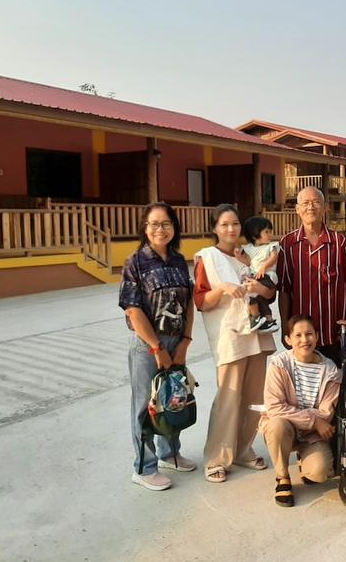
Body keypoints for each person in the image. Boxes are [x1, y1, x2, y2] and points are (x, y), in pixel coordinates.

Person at [194, 204, 277, 483]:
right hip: (230, 335)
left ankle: (242, 449)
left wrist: (258, 288)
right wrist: (221, 289)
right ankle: (217, 457)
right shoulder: (207, 258)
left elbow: (271, 293)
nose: (231, 229)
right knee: (228, 398)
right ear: (214, 228)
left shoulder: (249, 256)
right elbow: (201, 302)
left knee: (254, 397)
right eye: (225, 224)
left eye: (235, 224)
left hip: (258, 332)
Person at [119, 202, 196, 491]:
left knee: (174, 398)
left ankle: (169, 453)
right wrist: (156, 348)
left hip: (177, 341)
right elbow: (132, 310)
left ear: (174, 227)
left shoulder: (178, 260)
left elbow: (189, 304)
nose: (160, 229)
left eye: (165, 223)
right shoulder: (135, 262)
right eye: (154, 224)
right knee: (145, 405)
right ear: (145, 228)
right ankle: (144, 466)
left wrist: (185, 343)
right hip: (147, 344)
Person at [277, 186, 346, 364]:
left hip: (333, 332)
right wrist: (285, 327)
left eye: (316, 202)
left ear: (326, 208)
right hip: (301, 335)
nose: (311, 207)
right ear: (297, 209)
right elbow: (284, 290)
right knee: (304, 386)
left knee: (337, 383)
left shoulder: (340, 242)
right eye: (306, 203)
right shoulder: (287, 244)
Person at [259, 315, 340, 507]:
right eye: (298, 335)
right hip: (287, 427)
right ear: (288, 340)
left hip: (312, 435)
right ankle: (283, 476)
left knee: (319, 474)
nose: (305, 340)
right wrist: (313, 421)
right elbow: (275, 407)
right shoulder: (279, 365)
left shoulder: (330, 370)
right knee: (276, 424)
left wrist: (315, 423)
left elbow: (326, 412)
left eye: (309, 334)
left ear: (317, 337)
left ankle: (305, 459)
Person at [237, 215, 280, 334]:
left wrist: (264, 267)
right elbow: (248, 262)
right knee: (260, 299)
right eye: (266, 231)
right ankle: (268, 319)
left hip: (267, 276)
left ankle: (255, 316)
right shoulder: (249, 248)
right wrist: (239, 257)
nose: (270, 234)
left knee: (250, 294)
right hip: (256, 276)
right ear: (254, 234)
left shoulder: (271, 246)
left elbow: (273, 257)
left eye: (270, 231)